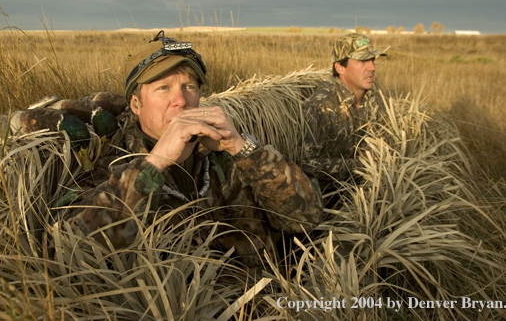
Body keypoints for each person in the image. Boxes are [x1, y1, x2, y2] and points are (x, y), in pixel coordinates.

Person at [60, 31, 322, 267]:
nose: (181, 101)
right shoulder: (110, 166)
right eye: (163, 88)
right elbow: (74, 253)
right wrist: (155, 165)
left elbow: (305, 217)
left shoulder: (229, 158)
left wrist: (241, 148)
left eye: (190, 87)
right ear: (137, 104)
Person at [301, 33, 387, 193]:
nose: (372, 67)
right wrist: (358, 165)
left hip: (369, 190)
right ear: (340, 67)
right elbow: (306, 164)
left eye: (372, 60)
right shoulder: (320, 105)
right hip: (330, 199)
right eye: (362, 61)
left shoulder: (374, 99)